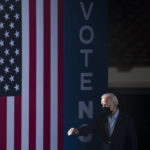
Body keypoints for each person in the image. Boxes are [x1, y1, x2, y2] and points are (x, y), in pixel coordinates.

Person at [67, 93, 138, 150]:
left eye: (106, 104)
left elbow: (132, 141)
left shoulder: (127, 120)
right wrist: (77, 131)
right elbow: (89, 128)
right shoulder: (100, 119)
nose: (104, 107)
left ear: (115, 103)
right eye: (102, 105)